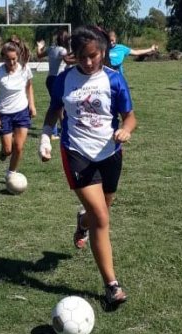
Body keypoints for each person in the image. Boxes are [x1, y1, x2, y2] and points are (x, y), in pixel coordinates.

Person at [39, 26, 137, 306]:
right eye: (83, 56)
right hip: (77, 153)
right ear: (75, 55)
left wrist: (126, 130)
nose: (89, 61)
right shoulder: (64, 80)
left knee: (100, 212)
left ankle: (82, 222)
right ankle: (112, 285)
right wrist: (45, 137)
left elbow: (129, 117)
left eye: (93, 55)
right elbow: (54, 110)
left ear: (102, 52)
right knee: (102, 219)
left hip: (110, 153)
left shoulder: (114, 80)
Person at [0, 38, 37, 180]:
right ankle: (4, 152)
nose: (12, 63)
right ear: (3, 58)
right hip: (4, 114)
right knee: (9, 149)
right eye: (8, 60)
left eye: (14, 59)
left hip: (22, 112)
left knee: (19, 147)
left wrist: (31, 104)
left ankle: (11, 174)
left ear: (18, 56)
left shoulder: (24, 69)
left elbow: (29, 86)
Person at [36, 29, 75, 140]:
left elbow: (39, 55)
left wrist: (39, 46)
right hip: (58, 80)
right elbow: (67, 60)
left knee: (57, 104)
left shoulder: (50, 48)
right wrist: (81, 58)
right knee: (59, 106)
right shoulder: (63, 50)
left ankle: (56, 130)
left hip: (49, 79)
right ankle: (58, 131)